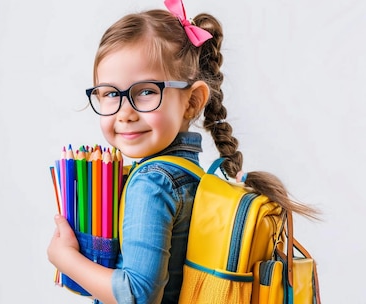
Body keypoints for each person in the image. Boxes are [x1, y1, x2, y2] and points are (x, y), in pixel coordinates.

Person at [46, 0, 320, 303]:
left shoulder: (152, 182)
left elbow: (136, 295)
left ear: (192, 101)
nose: (125, 113)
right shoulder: (192, 174)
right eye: (111, 93)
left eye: (147, 91)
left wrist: (65, 257)